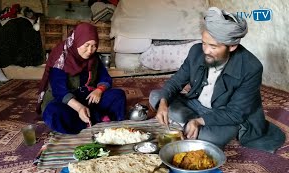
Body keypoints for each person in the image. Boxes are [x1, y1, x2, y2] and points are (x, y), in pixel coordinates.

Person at [149, 7, 285, 153]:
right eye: (204, 43)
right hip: (196, 104)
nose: (206, 50)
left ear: (232, 46)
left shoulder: (251, 67)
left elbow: (236, 113)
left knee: (211, 137)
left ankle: (187, 123)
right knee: (157, 96)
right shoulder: (196, 51)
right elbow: (176, 81)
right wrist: (163, 103)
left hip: (224, 114)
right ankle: (188, 123)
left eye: (213, 46)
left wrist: (198, 121)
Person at [37, 22, 126, 134]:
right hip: (65, 101)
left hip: (88, 97)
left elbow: (105, 77)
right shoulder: (60, 57)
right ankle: (93, 120)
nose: (90, 50)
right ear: (78, 41)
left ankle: (90, 119)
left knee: (118, 95)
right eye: (86, 45)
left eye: (94, 46)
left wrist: (99, 90)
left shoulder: (94, 58)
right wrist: (79, 108)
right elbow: (59, 91)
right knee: (53, 113)